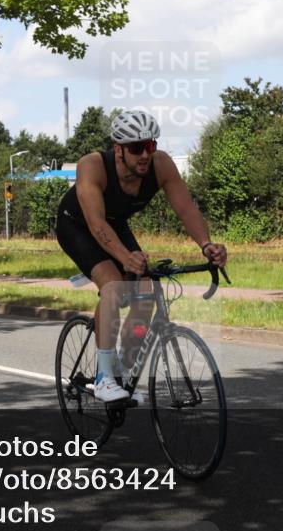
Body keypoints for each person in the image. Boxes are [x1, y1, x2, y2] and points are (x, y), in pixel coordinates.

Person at [56, 109, 227, 402]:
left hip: (115, 225)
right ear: (118, 149)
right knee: (113, 286)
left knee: (145, 290)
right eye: (137, 148)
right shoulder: (92, 166)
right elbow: (97, 225)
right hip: (78, 226)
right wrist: (124, 258)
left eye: (150, 146)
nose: (145, 155)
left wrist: (206, 244)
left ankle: (120, 370)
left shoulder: (161, 166)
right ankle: (105, 378)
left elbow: (186, 209)